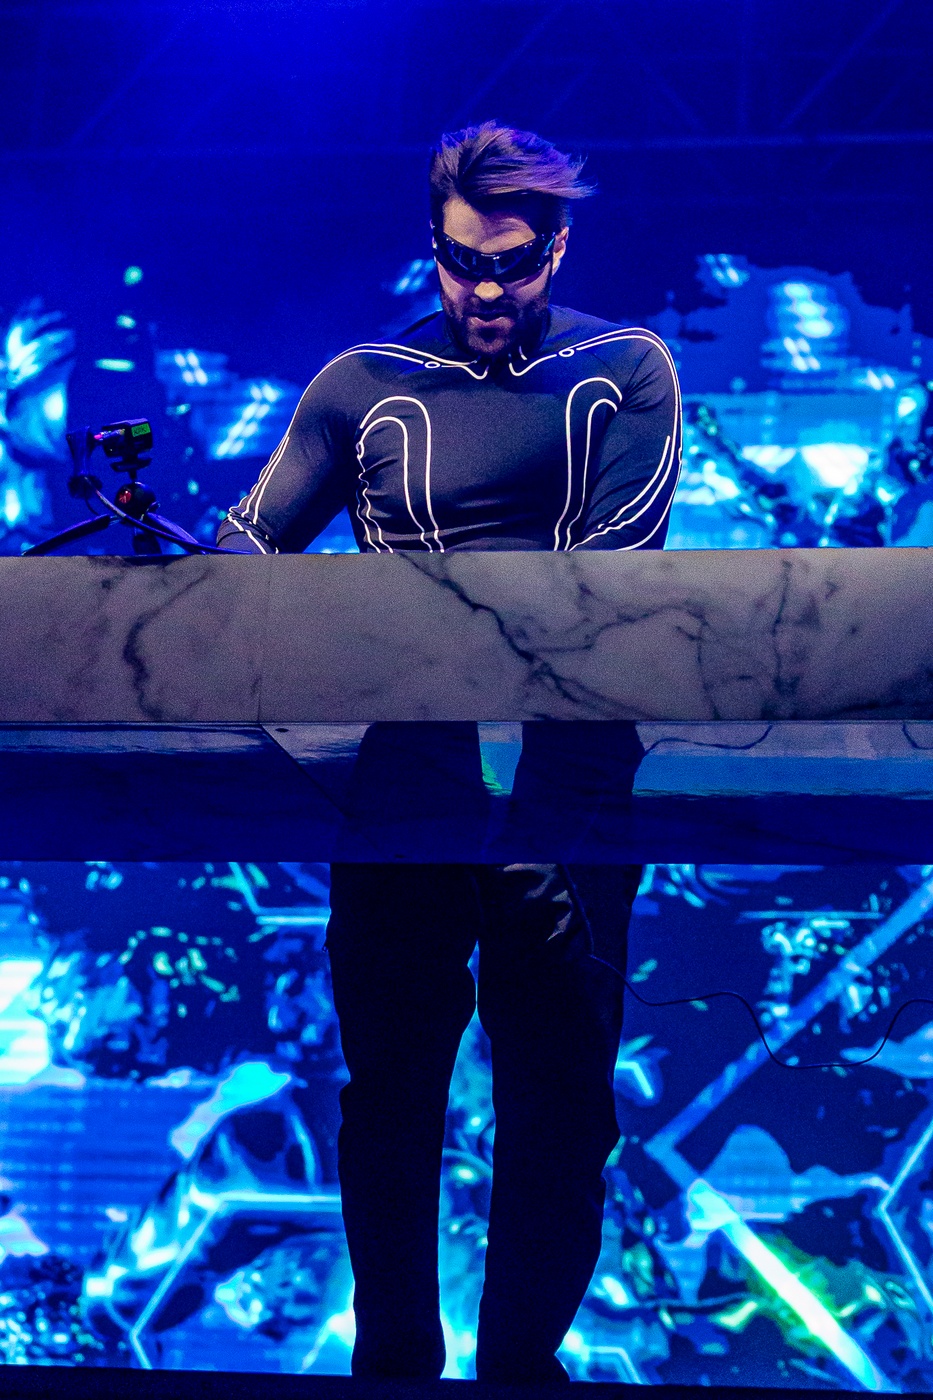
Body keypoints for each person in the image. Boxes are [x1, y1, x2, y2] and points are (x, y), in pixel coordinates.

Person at [219, 120, 682, 1383]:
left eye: (512, 264)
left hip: (566, 787)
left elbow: (605, 584)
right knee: (391, 1092)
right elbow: (244, 560)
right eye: (462, 261)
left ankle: (520, 1366)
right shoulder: (361, 382)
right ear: (434, 246)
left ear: (556, 249)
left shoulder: (621, 369)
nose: (484, 290)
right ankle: (395, 1363)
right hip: (408, 782)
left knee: (562, 1099)